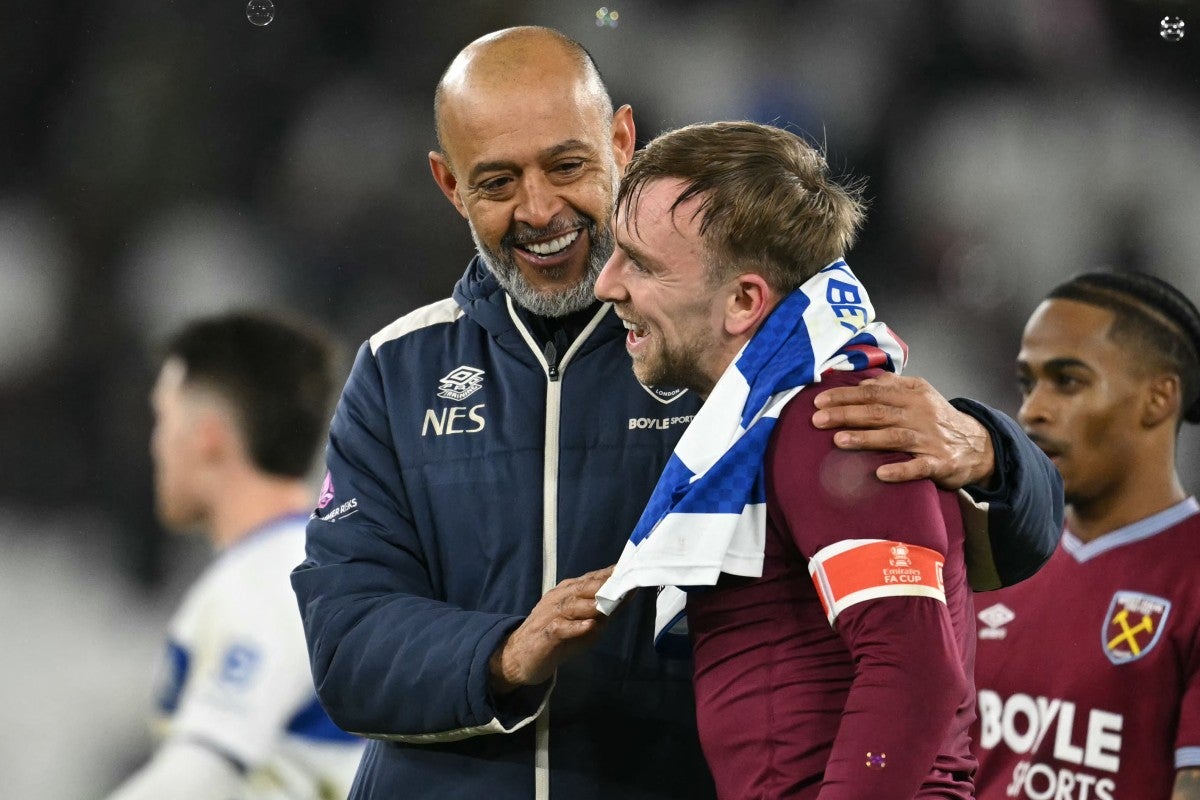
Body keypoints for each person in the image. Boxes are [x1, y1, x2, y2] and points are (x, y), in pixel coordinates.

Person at [290, 26, 1061, 800]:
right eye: (496, 182)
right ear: (450, 185)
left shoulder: (746, 352)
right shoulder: (396, 372)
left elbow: (954, 595)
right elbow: (344, 642)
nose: (540, 208)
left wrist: (991, 452)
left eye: (567, 165)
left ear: (621, 141)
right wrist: (503, 653)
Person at [592, 120, 983, 799]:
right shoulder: (774, 418)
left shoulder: (832, 421)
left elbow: (916, 671)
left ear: (744, 301)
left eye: (642, 264)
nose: (606, 284)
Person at [813, 271, 1200, 799]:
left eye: (1068, 381)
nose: (1032, 410)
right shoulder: (989, 559)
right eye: (1027, 383)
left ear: (1159, 398)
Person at [107, 311, 363, 800]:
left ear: (207, 437)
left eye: (162, 419)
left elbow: (204, 773)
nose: (155, 444)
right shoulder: (313, 562)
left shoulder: (273, 578)